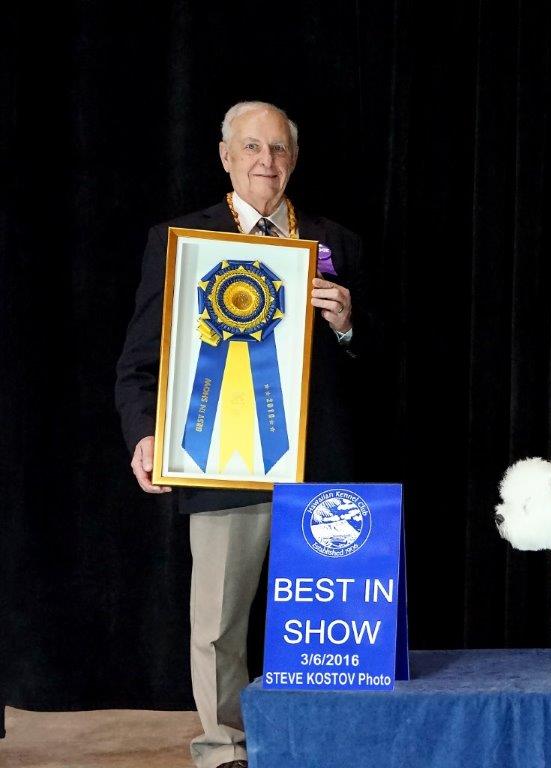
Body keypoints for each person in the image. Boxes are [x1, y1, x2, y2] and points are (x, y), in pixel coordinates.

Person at [115, 101, 369, 768]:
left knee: (326, 621)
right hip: (221, 462)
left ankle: (321, 743)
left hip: (321, 470)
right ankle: (224, 749)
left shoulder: (334, 240)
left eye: (280, 150)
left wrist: (346, 328)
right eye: (253, 148)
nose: (267, 162)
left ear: (294, 159)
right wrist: (145, 434)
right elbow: (140, 359)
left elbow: (381, 367)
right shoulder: (180, 239)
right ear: (226, 157)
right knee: (219, 625)